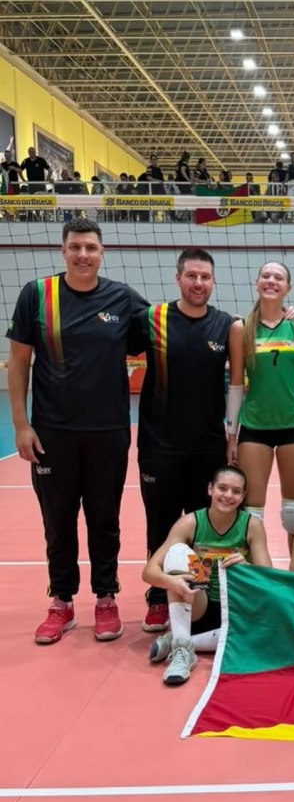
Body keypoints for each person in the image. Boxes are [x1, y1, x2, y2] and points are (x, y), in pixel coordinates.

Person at [6, 217, 148, 644]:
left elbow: (169, 328)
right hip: (53, 433)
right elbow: (19, 362)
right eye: (75, 247)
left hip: (108, 430)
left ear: (102, 253)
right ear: (63, 250)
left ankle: (106, 598)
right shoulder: (37, 294)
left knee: (105, 518)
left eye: (90, 247)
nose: (83, 254)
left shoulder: (123, 299)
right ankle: (61, 601)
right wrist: (21, 424)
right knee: (58, 521)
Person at [135, 248, 243, 632]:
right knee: (160, 525)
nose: (198, 283)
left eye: (205, 277)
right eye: (192, 276)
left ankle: (198, 598)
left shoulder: (226, 324)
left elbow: (236, 382)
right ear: (177, 278)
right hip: (159, 445)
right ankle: (158, 598)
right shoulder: (152, 319)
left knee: (202, 529)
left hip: (207, 446)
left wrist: (232, 433)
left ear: (213, 281)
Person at [142, 466, 271, 685]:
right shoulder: (191, 523)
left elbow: (268, 580)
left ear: (243, 496)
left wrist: (247, 566)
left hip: (235, 607)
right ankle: (183, 653)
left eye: (236, 491)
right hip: (199, 603)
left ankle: (179, 640)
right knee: (177, 552)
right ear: (210, 489)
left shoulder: (251, 525)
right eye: (222, 488)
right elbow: (149, 572)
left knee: (261, 637)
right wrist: (173, 582)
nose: (228, 495)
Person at [235, 261, 294, 552]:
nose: (271, 280)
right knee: (251, 514)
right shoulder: (241, 328)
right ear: (257, 284)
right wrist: (231, 435)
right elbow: (235, 385)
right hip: (254, 426)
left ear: (287, 288)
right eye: (265, 276)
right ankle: (256, 571)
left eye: (278, 277)